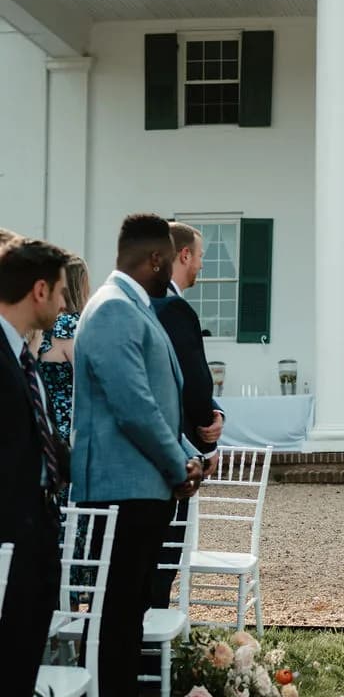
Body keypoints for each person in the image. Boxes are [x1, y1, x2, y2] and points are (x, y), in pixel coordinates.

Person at [72, 214, 203, 697]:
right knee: (116, 621)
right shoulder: (111, 311)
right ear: (153, 260)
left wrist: (188, 458)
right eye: (167, 262)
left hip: (142, 490)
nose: (170, 271)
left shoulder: (134, 309)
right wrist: (178, 464)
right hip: (120, 494)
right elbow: (133, 408)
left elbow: (156, 403)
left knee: (129, 620)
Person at [0, 237, 70, 697]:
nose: (66, 301)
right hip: (10, 540)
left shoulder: (25, 354)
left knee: (25, 654)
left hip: (37, 535)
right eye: (62, 289)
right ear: (38, 290)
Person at [150, 223, 223, 609]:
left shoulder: (144, 301)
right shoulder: (173, 307)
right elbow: (192, 382)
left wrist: (216, 409)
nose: (201, 266)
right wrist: (206, 445)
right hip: (172, 450)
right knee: (163, 558)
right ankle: (153, 646)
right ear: (183, 256)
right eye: (199, 257)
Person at [36, 253, 90, 448]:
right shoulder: (72, 326)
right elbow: (87, 377)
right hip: (69, 427)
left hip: (45, 422)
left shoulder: (44, 325)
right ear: (81, 285)